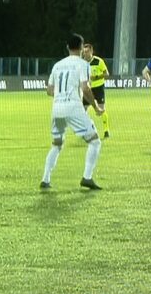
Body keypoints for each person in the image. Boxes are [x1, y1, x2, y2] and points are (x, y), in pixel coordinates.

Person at [41, 33, 104, 191]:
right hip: (73, 107)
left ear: (67, 47)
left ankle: (45, 179)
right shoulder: (83, 65)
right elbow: (85, 87)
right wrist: (96, 106)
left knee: (56, 144)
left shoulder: (57, 65)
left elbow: (49, 90)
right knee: (95, 141)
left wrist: (62, 93)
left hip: (57, 108)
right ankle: (87, 178)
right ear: (82, 48)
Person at [82, 44, 111, 139]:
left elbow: (106, 74)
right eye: (84, 52)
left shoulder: (98, 61)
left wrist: (96, 77)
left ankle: (106, 130)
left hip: (98, 88)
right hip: (88, 89)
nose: (85, 54)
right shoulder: (82, 62)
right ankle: (88, 129)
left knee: (101, 110)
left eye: (86, 52)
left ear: (91, 51)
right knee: (83, 110)